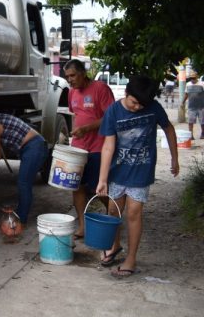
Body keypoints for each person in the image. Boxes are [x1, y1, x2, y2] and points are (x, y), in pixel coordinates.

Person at [96, 75, 179, 278]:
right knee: (113, 212)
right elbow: (108, 146)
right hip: (117, 172)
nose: (138, 107)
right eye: (134, 103)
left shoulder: (154, 108)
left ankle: (131, 258)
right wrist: (103, 179)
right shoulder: (114, 111)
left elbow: (169, 128)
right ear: (126, 94)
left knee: (133, 213)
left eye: (142, 105)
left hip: (141, 172)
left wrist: (174, 159)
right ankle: (114, 246)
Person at [63, 59, 115, 239]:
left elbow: (111, 118)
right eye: (67, 77)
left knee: (98, 189)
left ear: (83, 73)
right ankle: (82, 226)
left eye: (73, 75)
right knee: (76, 187)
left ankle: (114, 218)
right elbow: (77, 115)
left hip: (99, 148)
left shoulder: (100, 89)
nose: (70, 80)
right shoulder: (71, 93)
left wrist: (86, 128)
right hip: (78, 148)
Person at [0, 113, 49, 226]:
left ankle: (20, 221)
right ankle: (20, 216)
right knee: (24, 183)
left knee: (23, 183)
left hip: (34, 147)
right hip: (33, 147)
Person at [183, 71, 204, 138]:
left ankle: (203, 134)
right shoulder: (188, 84)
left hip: (201, 106)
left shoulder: (202, 84)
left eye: (194, 78)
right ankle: (191, 135)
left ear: (197, 77)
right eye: (191, 78)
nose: (192, 79)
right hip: (191, 107)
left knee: (202, 122)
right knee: (190, 122)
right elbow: (186, 94)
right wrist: (182, 102)